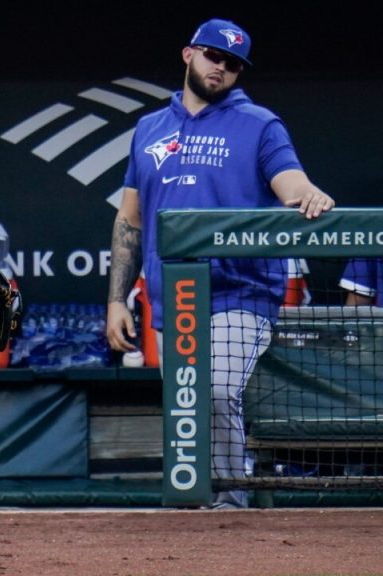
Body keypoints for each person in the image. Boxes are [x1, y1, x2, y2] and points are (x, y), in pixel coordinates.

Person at [106, 18, 335, 510]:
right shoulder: (150, 128)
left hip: (241, 290)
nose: (222, 68)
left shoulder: (258, 123)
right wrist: (116, 300)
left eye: (233, 64)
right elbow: (130, 220)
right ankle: (201, 512)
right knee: (186, 407)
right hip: (173, 294)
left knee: (211, 391)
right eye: (214, 56)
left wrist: (306, 194)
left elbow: (290, 180)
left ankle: (232, 503)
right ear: (189, 54)